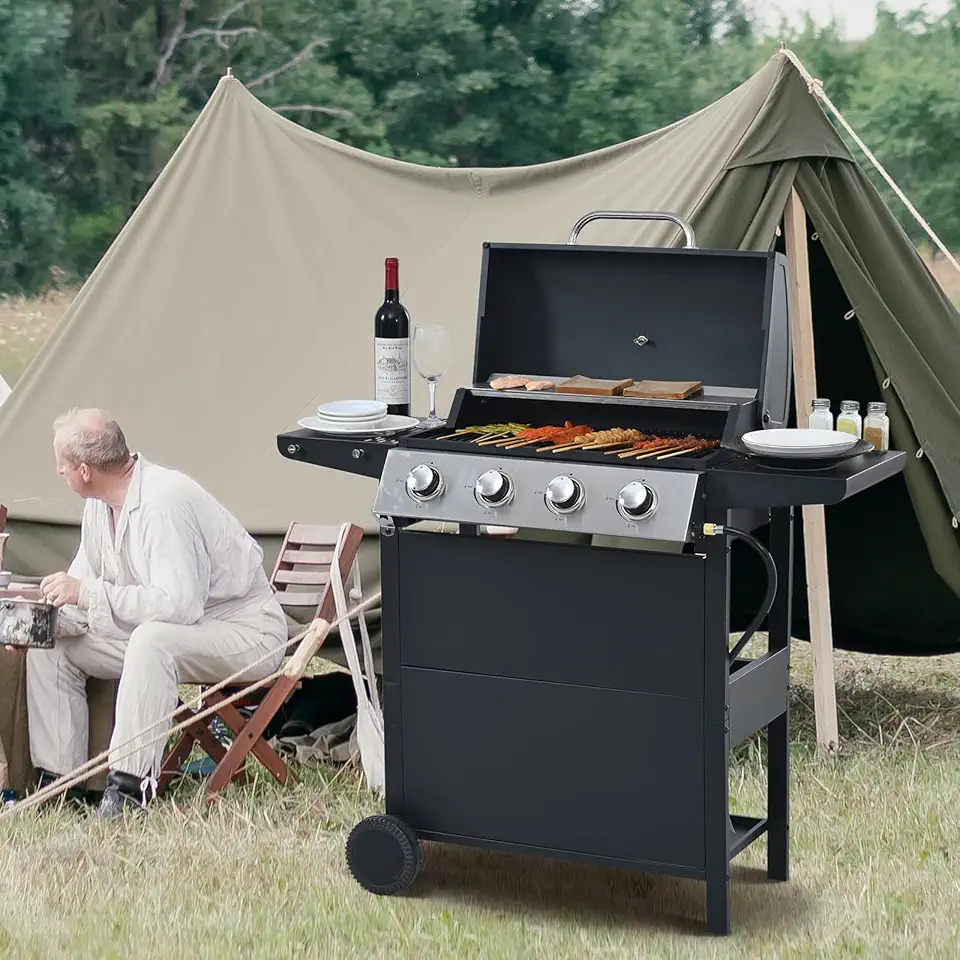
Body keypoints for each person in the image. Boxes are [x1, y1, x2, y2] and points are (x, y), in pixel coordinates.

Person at [26, 408, 288, 817]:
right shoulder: (98, 507)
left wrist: (90, 594)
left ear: (84, 469)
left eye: (61, 465)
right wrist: (56, 608)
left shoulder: (163, 502)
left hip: (243, 633)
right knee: (52, 642)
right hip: (173, 633)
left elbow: (180, 605)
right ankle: (60, 785)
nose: (58, 472)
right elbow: (85, 588)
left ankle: (129, 790)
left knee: (153, 641)